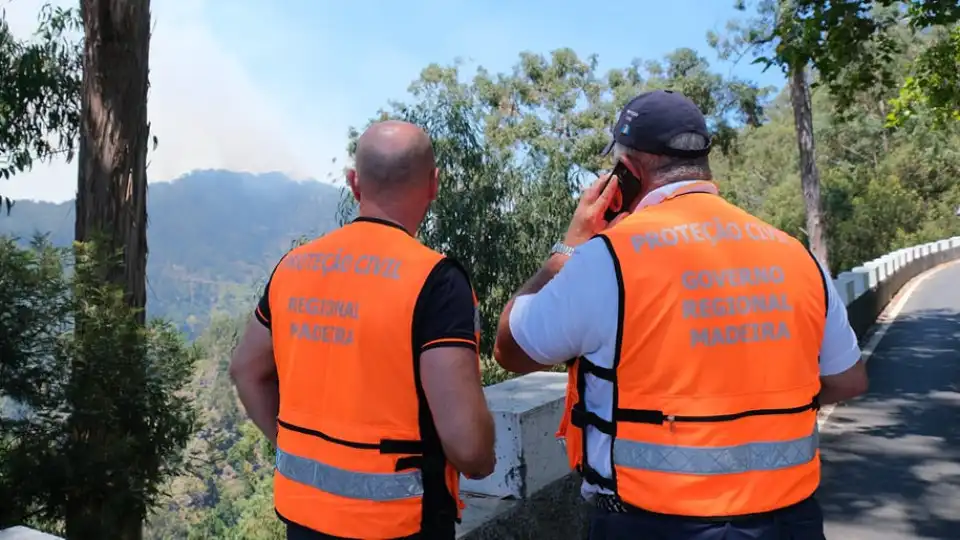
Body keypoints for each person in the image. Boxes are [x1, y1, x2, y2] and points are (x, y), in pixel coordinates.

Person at [493, 90, 868, 540]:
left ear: (626, 173)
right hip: (788, 520)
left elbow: (511, 350)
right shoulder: (794, 253)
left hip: (649, 522)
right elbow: (848, 380)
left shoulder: (607, 258)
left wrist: (567, 249)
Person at [229, 120, 496, 540]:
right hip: (399, 524)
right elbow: (469, 449)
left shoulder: (293, 267)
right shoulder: (436, 282)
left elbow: (246, 370)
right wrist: (484, 457)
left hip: (304, 516)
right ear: (434, 184)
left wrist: (295, 448)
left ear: (354, 183)